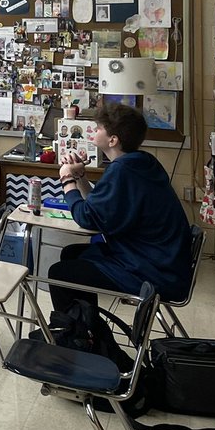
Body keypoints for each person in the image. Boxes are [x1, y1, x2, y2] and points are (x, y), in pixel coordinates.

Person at [47, 102, 192, 311]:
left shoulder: (123, 171)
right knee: (71, 253)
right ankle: (85, 326)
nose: (93, 131)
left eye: (98, 129)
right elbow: (99, 208)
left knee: (60, 273)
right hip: (163, 261)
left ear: (113, 140)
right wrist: (79, 176)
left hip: (151, 271)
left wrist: (66, 178)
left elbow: (86, 217)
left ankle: (76, 337)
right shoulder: (140, 162)